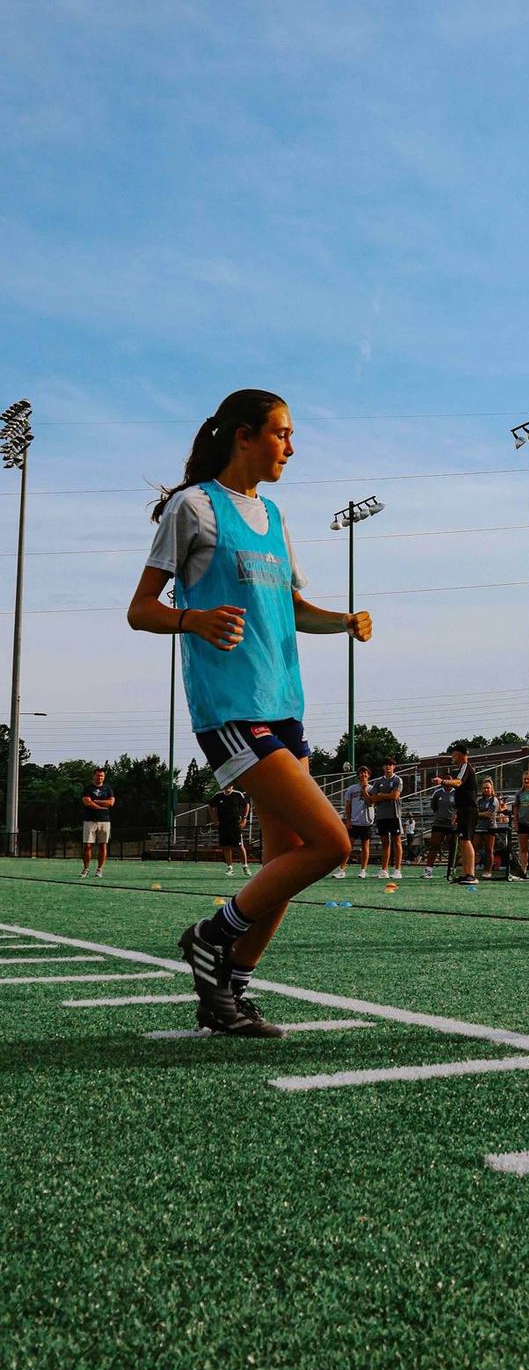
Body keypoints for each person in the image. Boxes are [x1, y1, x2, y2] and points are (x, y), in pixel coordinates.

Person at [127, 388, 370, 1038]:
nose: (291, 447)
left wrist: (343, 621)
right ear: (243, 436)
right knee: (331, 842)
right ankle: (211, 936)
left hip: (284, 707)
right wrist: (194, 620)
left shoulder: (275, 516)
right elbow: (141, 609)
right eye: (282, 433)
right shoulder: (194, 507)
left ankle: (228, 991)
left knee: (286, 856)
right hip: (231, 708)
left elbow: (291, 609)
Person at [443, 744, 478, 883]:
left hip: (469, 809)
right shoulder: (461, 768)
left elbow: (458, 782)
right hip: (463, 810)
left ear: (461, 754)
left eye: (454, 754)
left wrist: (443, 781)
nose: (452, 757)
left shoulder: (465, 766)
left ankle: (471, 874)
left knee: (466, 840)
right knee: (463, 841)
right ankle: (465, 873)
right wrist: (457, 812)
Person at [208, 783, 251, 880]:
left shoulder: (238, 794)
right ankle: (229, 868)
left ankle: (245, 866)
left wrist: (244, 818)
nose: (227, 787)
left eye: (229, 785)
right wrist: (214, 819)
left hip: (235, 824)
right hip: (223, 825)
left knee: (239, 846)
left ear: (232, 786)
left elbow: (247, 805)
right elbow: (210, 806)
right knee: (226, 846)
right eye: (225, 786)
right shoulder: (218, 796)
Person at [370, 759, 403, 879]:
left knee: (397, 841)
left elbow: (395, 796)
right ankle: (384, 869)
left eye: (390, 765)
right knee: (385, 842)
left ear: (394, 766)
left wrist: (381, 795)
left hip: (394, 814)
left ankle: (397, 870)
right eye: (386, 765)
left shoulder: (397, 779)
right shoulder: (378, 781)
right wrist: (384, 796)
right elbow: (373, 798)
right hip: (381, 815)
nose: (388, 767)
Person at [80, 768, 115, 877]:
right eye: (98, 775)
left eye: (102, 776)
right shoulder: (88, 789)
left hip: (104, 821)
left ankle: (99, 869)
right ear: (93, 776)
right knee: (87, 845)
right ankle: (86, 869)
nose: (100, 777)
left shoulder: (108, 789)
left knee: (103, 845)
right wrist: (100, 807)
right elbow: (87, 802)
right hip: (90, 820)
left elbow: (111, 802)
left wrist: (96, 802)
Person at [342, 767, 376, 876]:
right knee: (348, 846)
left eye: (365, 773)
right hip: (354, 821)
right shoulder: (351, 789)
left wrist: (364, 790)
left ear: (369, 775)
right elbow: (348, 806)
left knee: (365, 846)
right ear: (358, 775)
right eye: (361, 773)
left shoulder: (372, 789)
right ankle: (342, 869)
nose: (363, 775)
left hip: (366, 822)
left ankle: (363, 870)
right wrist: (348, 820)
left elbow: (370, 802)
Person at [424, 775, 456, 879]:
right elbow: (433, 806)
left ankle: (451, 870)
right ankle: (428, 870)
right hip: (438, 823)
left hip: (451, 825)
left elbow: (458, 807)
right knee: (434, 846)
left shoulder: (456, 792)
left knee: (453, 847)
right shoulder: (437, 793)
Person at [475, 778, 500, 876]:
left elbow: (489, 814)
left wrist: (479, 814)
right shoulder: (479, 800)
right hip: (479, 827)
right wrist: (481, 814)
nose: (486, 790)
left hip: (490, 827)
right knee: (474, 847)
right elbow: (474, 812)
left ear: (491, 789)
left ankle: (488, 871)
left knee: (489, 849)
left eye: (488, 788)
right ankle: (471, 869)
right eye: (484, 788)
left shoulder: (494, 800)